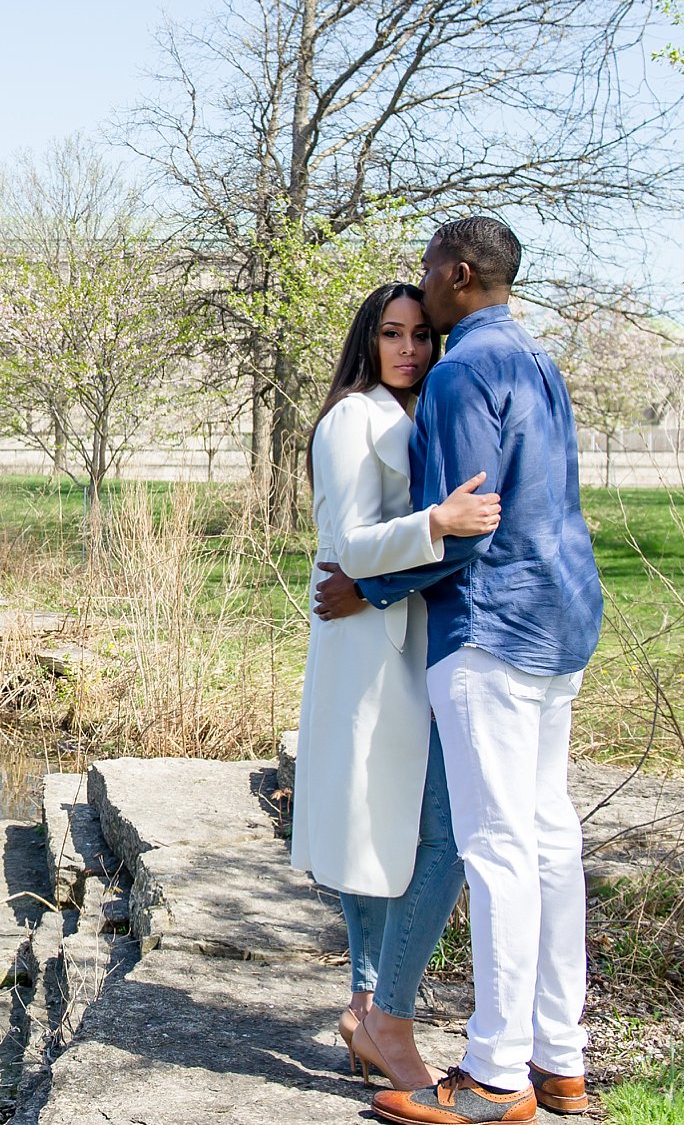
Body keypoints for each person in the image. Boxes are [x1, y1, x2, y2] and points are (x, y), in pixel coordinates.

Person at [315, 216, 601, 1124]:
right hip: (561, 621)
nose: (423, 301)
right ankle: (562, 1062)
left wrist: (372, 582)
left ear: (458, 272)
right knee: (552, 840)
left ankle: (492, 1076)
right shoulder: (537, 362)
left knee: (498, 847)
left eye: (431, 278)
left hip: (492, 630)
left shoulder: (463, 371)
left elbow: (467, 516)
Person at [292, 282, 498, 1093]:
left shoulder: (417, 415)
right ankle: (375, 1008)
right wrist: (438, 524)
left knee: (392, 827)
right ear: (368, 341)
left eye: (419, 334)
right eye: (392, 334)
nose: (409, 348)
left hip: (406, 636)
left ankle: (366, 1006)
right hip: (370, 652)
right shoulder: (353, 417)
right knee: (390, 826)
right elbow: (348, 541)